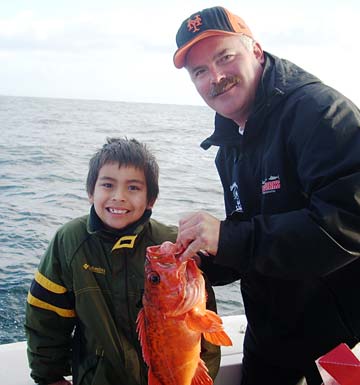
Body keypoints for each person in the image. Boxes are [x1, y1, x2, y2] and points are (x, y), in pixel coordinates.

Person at [173, 6, 360, 385]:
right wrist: (196, 257)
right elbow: (253, 240)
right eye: (200, 72)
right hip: (270, 343)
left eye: (224, 57)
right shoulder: (229, 147)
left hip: (338, 345)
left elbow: (347, 224)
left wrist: (228, 237)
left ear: (256, 51)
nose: (216, 77)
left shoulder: (319, 112)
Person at [25, 137, 221, 385]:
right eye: (107, 184)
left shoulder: (171, 246)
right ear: (90, 192)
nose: (118, 197)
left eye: (133, 188)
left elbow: (206, 325)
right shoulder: (70, 241)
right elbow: (45, 318)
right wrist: (49, 376)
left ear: (151, 199)